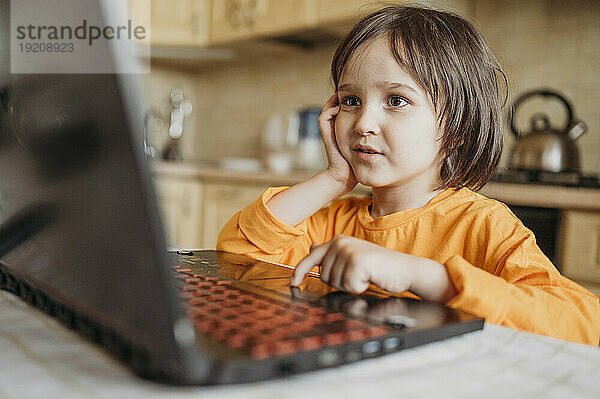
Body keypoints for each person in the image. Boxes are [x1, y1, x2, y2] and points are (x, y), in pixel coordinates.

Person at [217, 4, 600, 345]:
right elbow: (238, 255)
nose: (363, 122)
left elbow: (585, 323)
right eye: (351, 100)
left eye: (396, 100)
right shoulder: (331, 220)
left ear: (456, 128)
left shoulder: (484, 225)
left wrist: (422, 276)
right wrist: (334, 178)